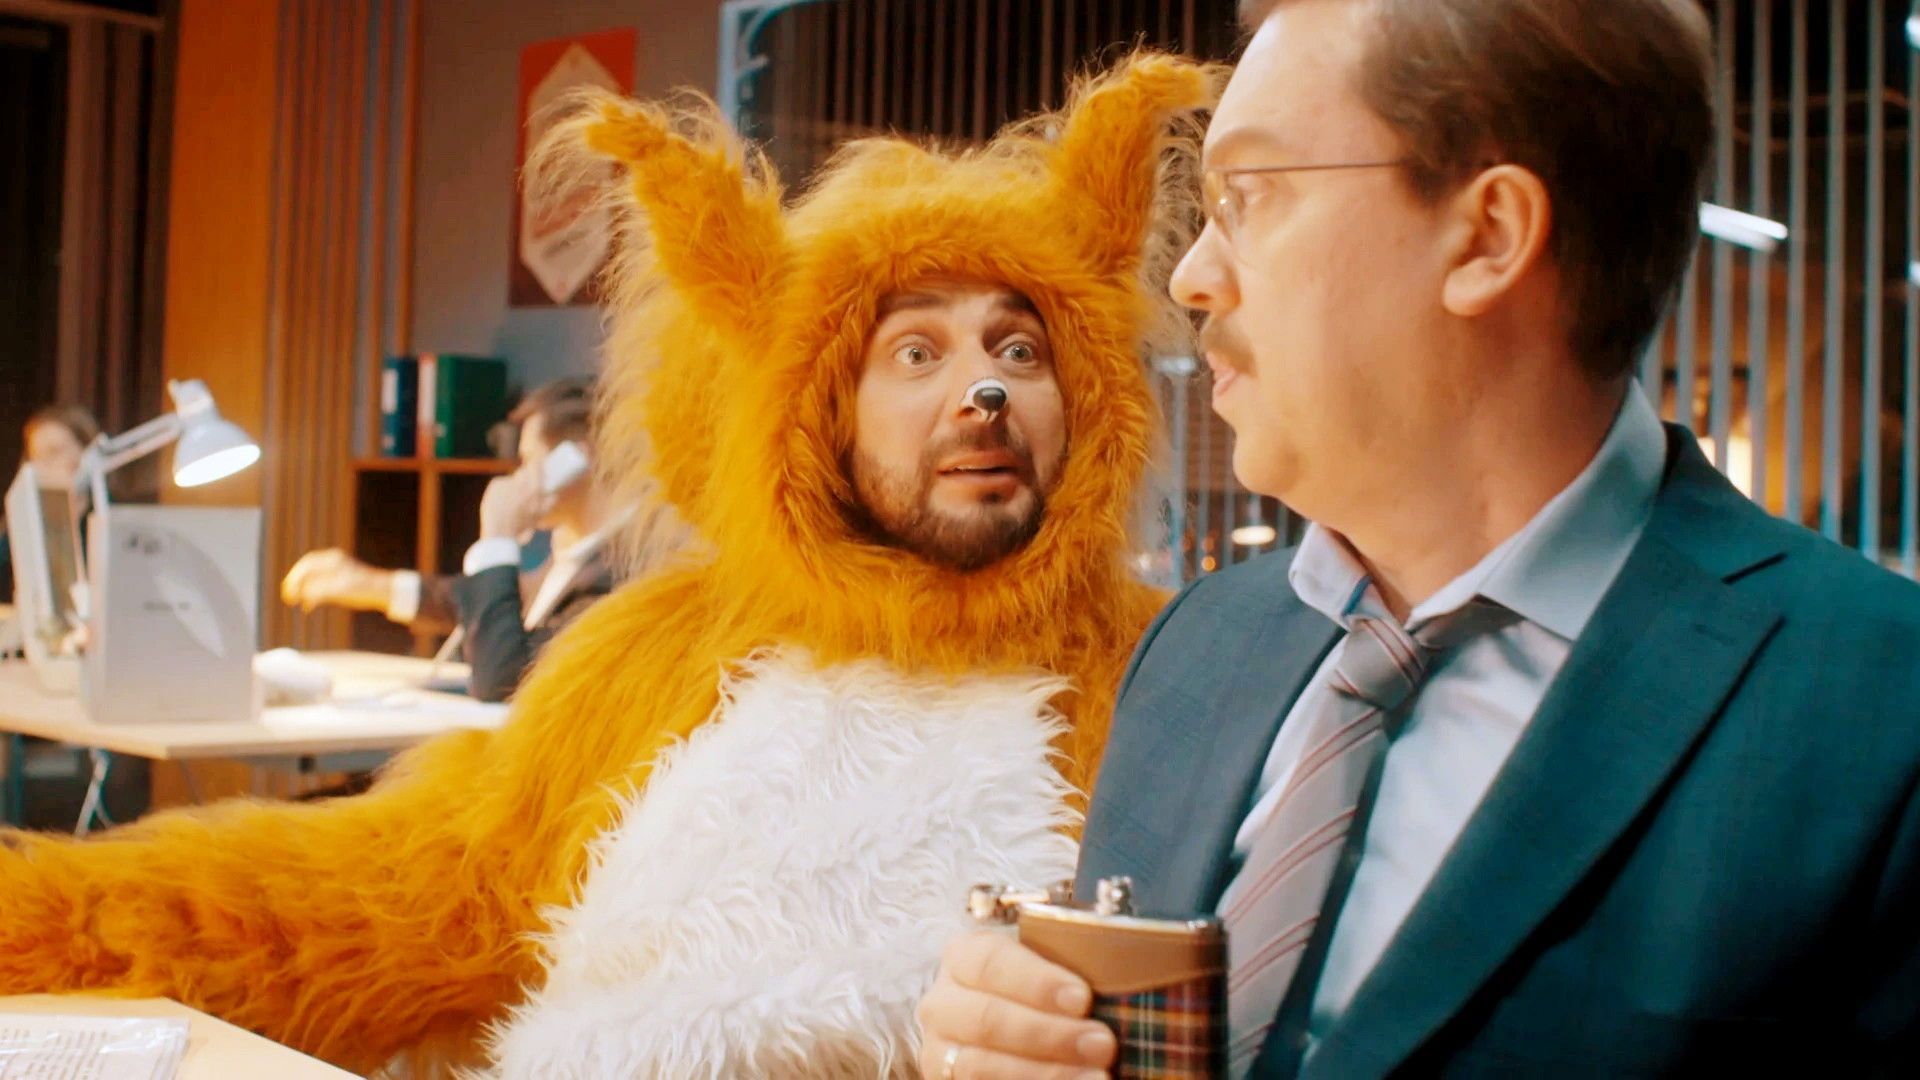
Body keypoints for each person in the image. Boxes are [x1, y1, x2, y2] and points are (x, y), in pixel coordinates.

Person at [0, 53, 1215, 1076]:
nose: (985, 388)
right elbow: (382, 897)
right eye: (916, 352)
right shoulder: (654, 659)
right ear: (816, 411)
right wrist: (40, 931)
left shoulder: (1170, 683)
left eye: (1020, 348)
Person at [918, 2, 1920, 1078]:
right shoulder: (1198, 647)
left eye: (1248, 196)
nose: (1190, 276)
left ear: (1487, 234)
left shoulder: (1876, 710)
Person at [281, 377, 629, 702]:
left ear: (577, 458)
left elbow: (502, 677)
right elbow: (490, 605)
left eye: (527, 460)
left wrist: (498, 535)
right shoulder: (576, 554)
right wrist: (369, 585)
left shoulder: (618, 574)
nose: (519, 476)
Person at [3, 405, 100, 605]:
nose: (44, 465)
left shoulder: (108, 515)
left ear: (86, 452)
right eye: (36, 457)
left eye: (54, 452)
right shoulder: (26, 520)